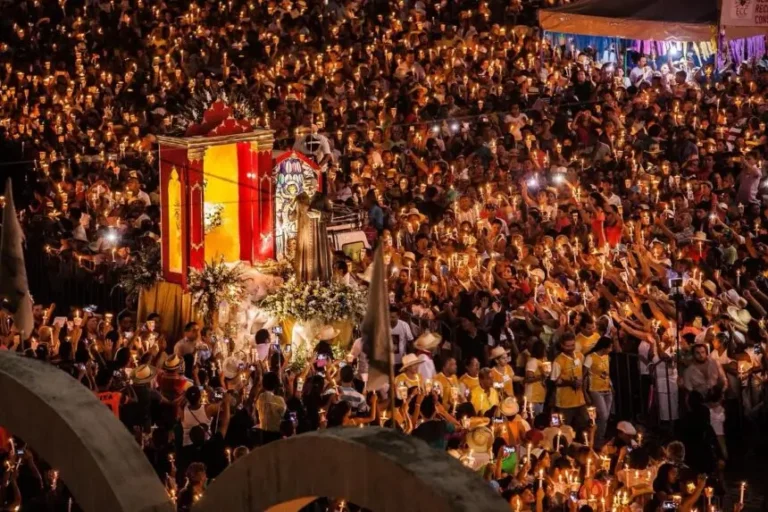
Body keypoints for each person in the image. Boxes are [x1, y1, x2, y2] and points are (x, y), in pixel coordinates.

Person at [550, 334, 588, 431]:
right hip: (564, 403)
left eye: (572, 345)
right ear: (562, 346)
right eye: (568, 346)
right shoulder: (558, 361)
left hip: (580, 401)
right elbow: (554, 381)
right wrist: (570, 383)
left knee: (584, 426)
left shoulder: (579, 356)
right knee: (564, 429)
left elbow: (583, 371)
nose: (571, 348)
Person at [584, 336, 614, 446]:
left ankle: (597, 437)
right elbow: (585, 375)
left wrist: (611, 386)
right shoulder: (590, 357)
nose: (611, 349)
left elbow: (607, 373)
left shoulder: (606, 357)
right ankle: (598, 438)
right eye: (610, 347)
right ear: (604, 347)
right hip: (596, 390)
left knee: (604, 417)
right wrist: (585, 392)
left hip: (607, 389)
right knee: (603, 415)